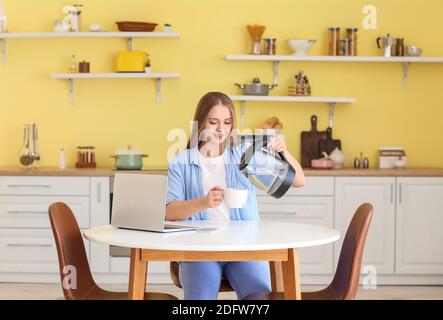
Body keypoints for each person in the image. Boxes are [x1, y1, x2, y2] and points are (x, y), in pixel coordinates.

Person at [166, 92, 305, 300]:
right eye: (213, 122)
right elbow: (170, 212)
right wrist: (203, 203)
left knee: (259, 300)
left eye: (227, 122)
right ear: (200, 122)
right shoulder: (181, 161)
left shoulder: (244, 154)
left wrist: (284, 153)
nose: (221, 129)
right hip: (199, 250)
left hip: (244, 248)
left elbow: (299, 181)